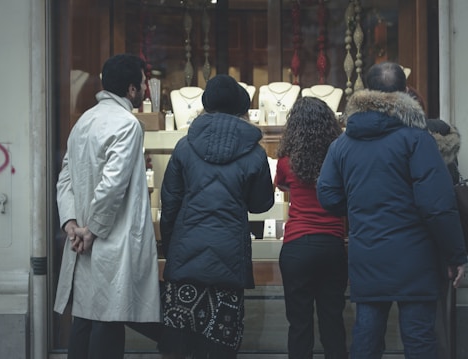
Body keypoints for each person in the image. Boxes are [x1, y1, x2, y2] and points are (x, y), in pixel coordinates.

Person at [316, 61, 467, 359]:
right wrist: (456, 256)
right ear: (405, 93)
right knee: (420, 340)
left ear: (367, 93)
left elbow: (328, 196)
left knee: (367, 336)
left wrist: (362, 206)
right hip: (416, 257)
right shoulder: (417, 139)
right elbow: (437, 205)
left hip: (367, 253)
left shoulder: (343, 144)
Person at [158, 74, 274, 359]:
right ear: (240, 108)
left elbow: (169, 203)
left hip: (186, 259)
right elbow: (261, 205)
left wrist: (171, 249)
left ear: (206, 106)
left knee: (181, 346)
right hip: (229, 260)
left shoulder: (185, 147)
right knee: (222, 346)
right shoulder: (254, 153)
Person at [54, 54, 161, 359]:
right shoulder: (127, 124)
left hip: (83, 240)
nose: (144, 89)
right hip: (109, 240)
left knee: (85, 321)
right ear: (131, 89)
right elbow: (112, 185)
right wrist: (91, 231)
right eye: (142, 83)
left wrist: (71, 224)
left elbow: (65, 179)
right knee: (108, 322)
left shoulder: (84, 121)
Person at [275, 97, 348, 359]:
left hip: (296, 245)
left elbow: (283, 186)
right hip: (331, 243)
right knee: (333, 321)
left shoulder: (286, 161)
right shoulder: (338, 156)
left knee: (299, 324)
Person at [426, 117, 462, 359]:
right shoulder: (450, 164)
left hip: (418, 245)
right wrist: (456, 256)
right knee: (443, 315)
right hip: (443, 247)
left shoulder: (419, 161)